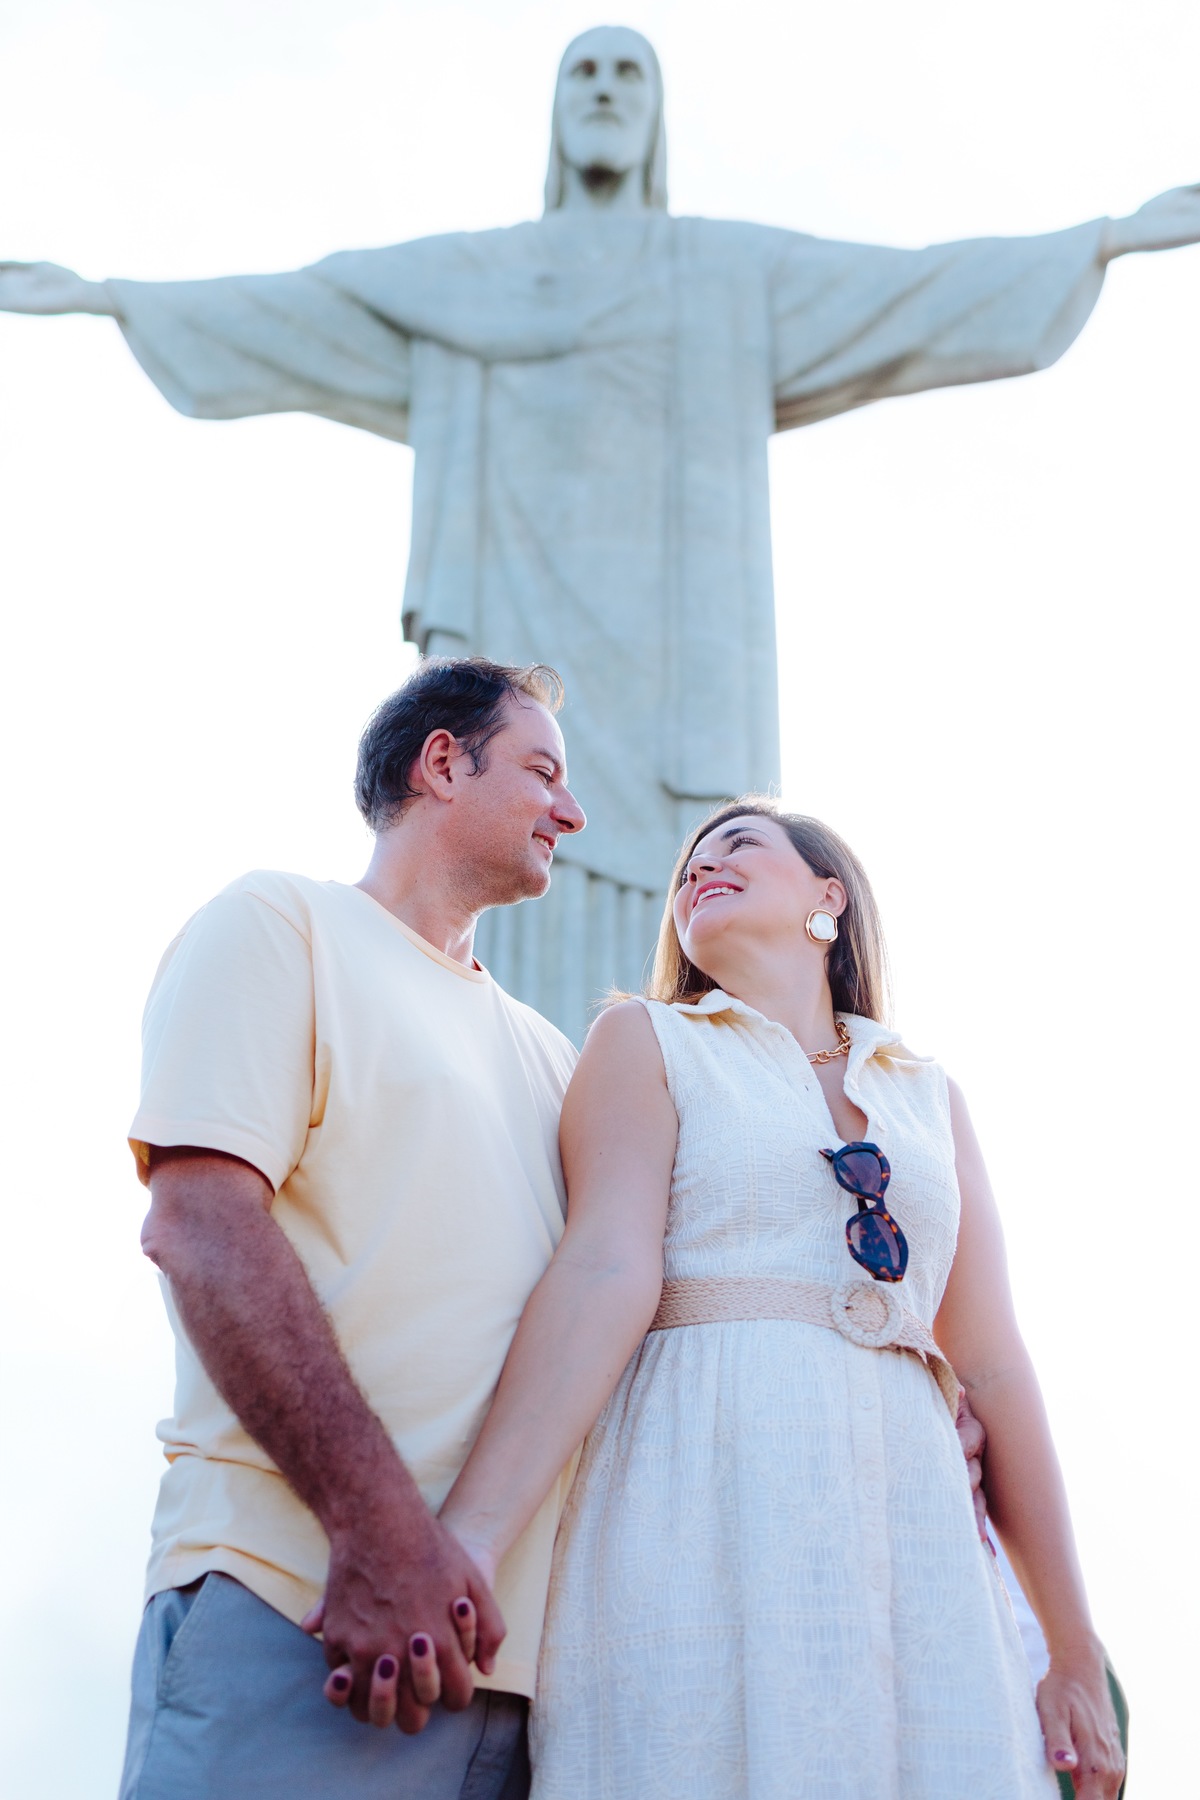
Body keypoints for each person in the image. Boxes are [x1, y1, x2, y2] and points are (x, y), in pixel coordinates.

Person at [3, 26, 1198, 1038]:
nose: (607, 96)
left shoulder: (723, 275)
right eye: (585, 74)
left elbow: (910, 289)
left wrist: (1096, 241)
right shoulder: (475, 278)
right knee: (503, 882)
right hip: (518, 636)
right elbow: (303, 303)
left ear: (658, 117)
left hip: (683, 666)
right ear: (555, 114)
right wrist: (118, 299)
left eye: (630, 75)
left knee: (694, 904)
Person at [435, 798, 1126, 1799]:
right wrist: (473, 1535)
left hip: (915, 1525)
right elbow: (602, 1271)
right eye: (687, 869)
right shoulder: (645, 1041)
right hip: (697, 1489)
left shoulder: (928, 1092)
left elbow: (993, 1362)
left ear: (829, 899)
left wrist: (1071, 1652)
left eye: (739, 847)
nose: (699, 871)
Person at [120, 657, 586, 1800]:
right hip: (304, 1612)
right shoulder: (282, 924)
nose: (571, 812)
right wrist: (378, 1535)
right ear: (441, 763)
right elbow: (203, 1226)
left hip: (523, 1691)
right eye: (542, 771)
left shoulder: (553, 1058)